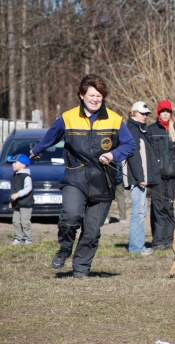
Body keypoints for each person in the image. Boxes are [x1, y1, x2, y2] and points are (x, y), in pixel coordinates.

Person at [30, 74, 136, 278]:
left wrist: (113, 154)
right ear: (81, 95)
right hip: (75, 177)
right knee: (70, 216)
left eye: (99, 96)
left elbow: (129, 144)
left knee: (92, 231)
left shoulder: (114, 119)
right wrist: (37, 150)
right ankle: (65, 248)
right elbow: (51, 136)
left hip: (103, 181)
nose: (96, 99)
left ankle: (80, 268)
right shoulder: (68, 117)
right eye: (92, 95)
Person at [148, 99, 175, 251]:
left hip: (171, 175)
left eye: (167, 112)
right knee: (158, 207)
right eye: (162, 111)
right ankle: (158, 241)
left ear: (171, 113)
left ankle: (170, 239)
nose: (165, 114)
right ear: (158, 113)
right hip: (156, 176)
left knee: (169, 206)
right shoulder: (150, 130)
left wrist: (174, 168)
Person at [124, 101, 157, 255]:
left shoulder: (138, 129)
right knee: (138, 213)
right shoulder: (132, 129)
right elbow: (133, 156)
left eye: (146, 114)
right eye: (142, 113)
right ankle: (136, 248)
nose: (145, 116)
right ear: (133, 113)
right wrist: (140, 177)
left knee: (140, 212)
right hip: (136, 179)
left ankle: (138, 246)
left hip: (139, 178)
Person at [8, 154, 34, 245]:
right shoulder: (15, 176)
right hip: (17, 204)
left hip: (26, 203)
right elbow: (13, 190)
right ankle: (18, 237)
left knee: (25, 222)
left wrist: (18, 195)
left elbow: (28, 189)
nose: (13, 164)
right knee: (16, 221)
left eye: (15, 162)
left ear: (23, 165)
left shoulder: (26, 176)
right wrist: (11, 201)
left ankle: (28, 239)